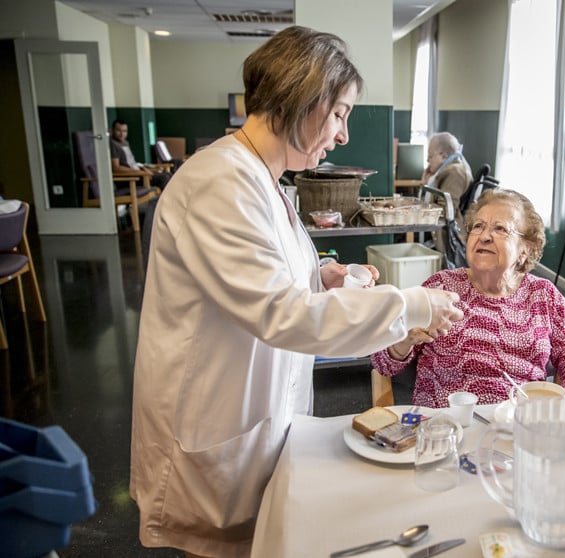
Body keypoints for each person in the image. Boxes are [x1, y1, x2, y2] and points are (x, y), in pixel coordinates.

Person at [129, 27, 464, 558]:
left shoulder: (265, 178)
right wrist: (413, 304)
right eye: (340, 113)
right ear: (301, 97)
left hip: (261, 417)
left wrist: (321, 277)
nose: (344, 134)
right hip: (219, 424)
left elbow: (263, 282)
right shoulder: (220, 182)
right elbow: (281, 314)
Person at [372, 188, 565, 407]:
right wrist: (403, 341)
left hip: (517, 425)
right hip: (446, 427)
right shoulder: (442, 286)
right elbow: (382, 362)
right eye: (478, 226)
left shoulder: (543, 295)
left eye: (500, 229)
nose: (484, 236)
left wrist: (562, 410)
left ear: (525, 249)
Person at [422, 132, 473, 250]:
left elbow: (446, 209)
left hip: (449, 236)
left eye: (430, 156)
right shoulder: (450, 169)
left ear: (443, 156)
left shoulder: (455, 173)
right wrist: (426, 183)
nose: (427, 160)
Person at [109, 119, 171, 189]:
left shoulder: (125, 142)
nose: (122, 134)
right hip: (130, 178)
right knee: (163, 178)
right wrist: (140, 172)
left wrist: (143, 168)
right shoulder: (113, 144)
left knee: (168, 175)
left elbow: (132, 163)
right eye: (118, 130)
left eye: (124, 131)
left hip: (138, 173)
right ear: (112, 130)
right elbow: (116, 168)